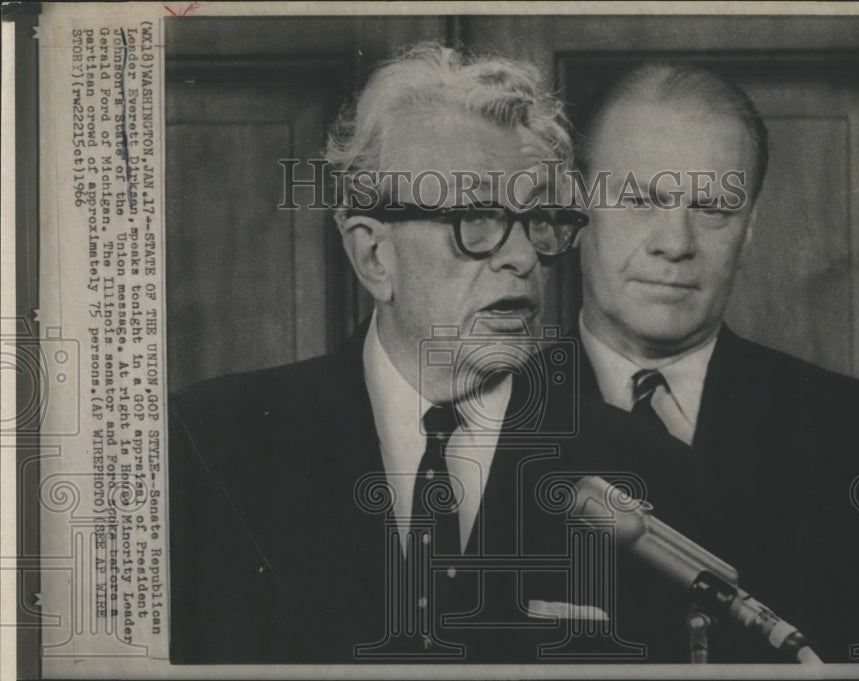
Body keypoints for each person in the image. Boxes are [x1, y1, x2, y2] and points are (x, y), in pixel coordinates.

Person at [168, 44, 685, 665]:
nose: (523, 258)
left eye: (539, 220)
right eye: (477, 218)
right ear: (374, 258)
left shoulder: (648, 470)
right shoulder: (208, 445)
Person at [575, 62, 859, 663]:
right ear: (578, 210)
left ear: (750, 229)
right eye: (639, 199)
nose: (674, 242)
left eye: (713, 208)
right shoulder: (483, 419)